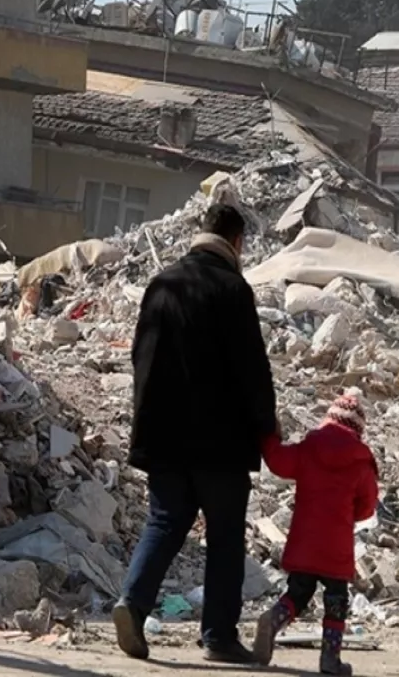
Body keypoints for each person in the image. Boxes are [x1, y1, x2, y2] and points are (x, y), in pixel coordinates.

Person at [112, 203, 278, 663]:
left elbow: (139, 356)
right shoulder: (233, 289)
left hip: (163, 434)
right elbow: (252, 368)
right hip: (219, 441)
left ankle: (133, 602)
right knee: (224, 534)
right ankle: (219, 636)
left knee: (165, 520)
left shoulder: (162, 284)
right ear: (238, 242)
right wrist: (267, 424)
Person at [252, 388, 379, 675]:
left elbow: (277, 462)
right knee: (336, 601)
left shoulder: (310, 448)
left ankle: (273, 619)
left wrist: (270, 436)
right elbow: (368, 507)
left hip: (304, 541)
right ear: (358, 428)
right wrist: (349, 515)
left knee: (298, 592)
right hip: (336, 547)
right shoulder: (361, 462)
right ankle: (329, 660)